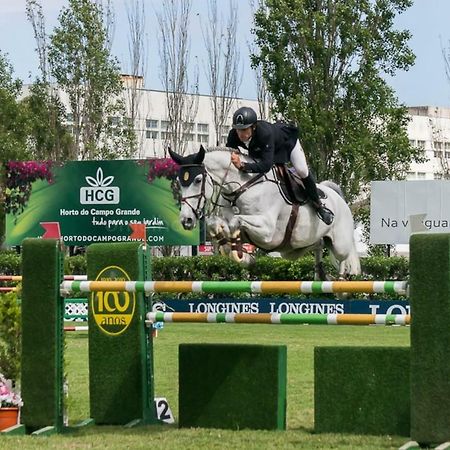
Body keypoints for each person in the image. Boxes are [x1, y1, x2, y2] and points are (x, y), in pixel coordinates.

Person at [226, 106, 334, 225]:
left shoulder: (264, 134)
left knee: (302, 170)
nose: (240, 134)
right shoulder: (234, 135)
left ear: (253, 127)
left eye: (244, 130)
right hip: (264, 150)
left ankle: (319, 206)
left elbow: (266, 165)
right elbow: (230, 152)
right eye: (238, 130)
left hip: (286, 143)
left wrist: (242, 165)